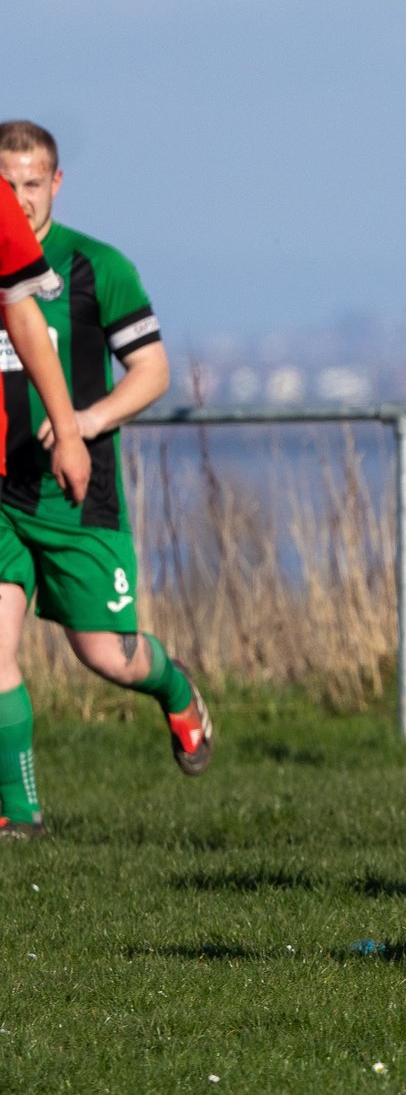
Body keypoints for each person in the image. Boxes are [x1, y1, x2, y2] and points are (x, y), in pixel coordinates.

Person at [0, 121, 204, 840]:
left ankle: (174, 686)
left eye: (32, 183)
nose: (20, 199)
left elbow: (152, 372)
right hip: (2, 494)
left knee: (106, 655)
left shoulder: (95, 267)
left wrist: (85, 422)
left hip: (75, 496)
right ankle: (19, 815)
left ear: (55, 183)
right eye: (7, 184)